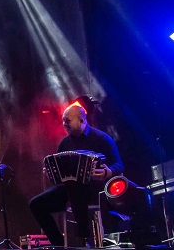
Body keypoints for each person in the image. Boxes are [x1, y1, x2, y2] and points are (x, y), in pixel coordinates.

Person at [29, 104, 124, 247]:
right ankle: (59, 244)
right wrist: (52, 174)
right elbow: (62, 176)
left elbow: (119, 165)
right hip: (70, 191)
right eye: (63, 121)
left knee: (74, 187)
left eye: (67, 120)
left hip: (96, 190)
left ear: (82, 121)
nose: (64, 124)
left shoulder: (101, 139)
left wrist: (107, 172)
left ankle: (83, 237)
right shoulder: (64, 143)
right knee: (36, 204)